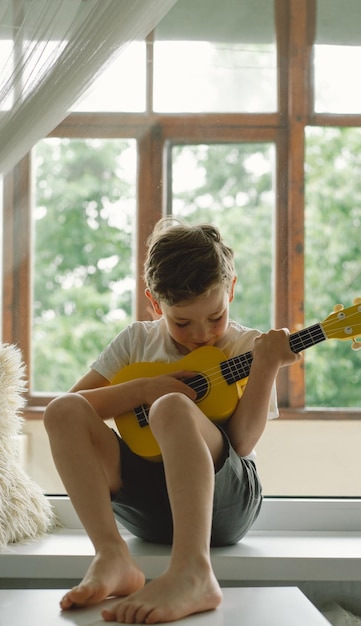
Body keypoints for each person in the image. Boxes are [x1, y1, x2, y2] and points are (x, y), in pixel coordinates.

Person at [43, 218, 300, 624]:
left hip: (223, 500)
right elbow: (73, 408)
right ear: (153, 302)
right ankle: (111, 555)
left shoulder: (247, 346)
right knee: (62, 410)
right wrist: (143, 389)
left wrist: (267, 366)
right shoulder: (136, 341)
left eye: (215, 317)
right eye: (182, 322)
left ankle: (193, 571)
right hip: (145, 503)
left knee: (170, 409)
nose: (201, 334)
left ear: (230, 291)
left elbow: (244, 443)